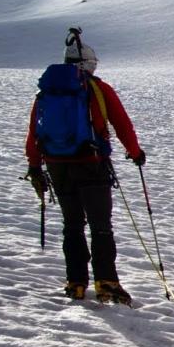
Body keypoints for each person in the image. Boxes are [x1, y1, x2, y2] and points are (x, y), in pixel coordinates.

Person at [25, 28, 145, 304]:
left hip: (57, 166)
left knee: (72, 224)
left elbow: (34, 133)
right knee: (100, 225)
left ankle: (76, 282)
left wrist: (35, 167)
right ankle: (107, 282)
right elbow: (122, 124)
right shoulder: (98, 89)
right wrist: (135, 153)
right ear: (88, 64)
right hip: (91, 163)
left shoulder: (47, 93)